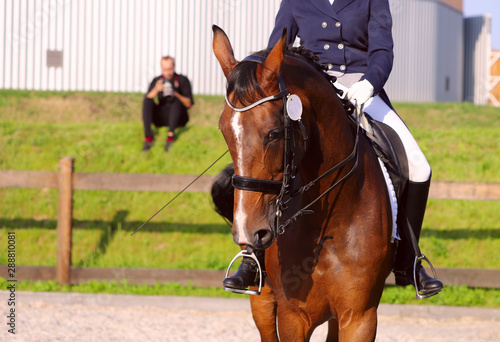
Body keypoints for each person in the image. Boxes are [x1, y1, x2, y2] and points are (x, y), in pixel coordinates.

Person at [222, 0, 443, 298]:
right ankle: (254, 258)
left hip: (360, 85)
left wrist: (370, 83)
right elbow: (276, 49)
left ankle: (409, 260)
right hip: (310, 88)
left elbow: (381, 50)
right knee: (268, 157)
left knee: (418, 166)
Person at [142, 56, 194, 152]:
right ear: (161, 68)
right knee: (147, 99)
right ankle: (148, 138)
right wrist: (156, 89)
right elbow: (148, 99)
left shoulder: (182, 80)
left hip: (179, 118)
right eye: (165, 69)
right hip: (161, 117)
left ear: (174, 67)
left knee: (175, 100)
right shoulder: (157, 81)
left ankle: (170, 137)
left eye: (170, 69)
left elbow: (189, 104)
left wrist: (175, 93)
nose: (168, 72)